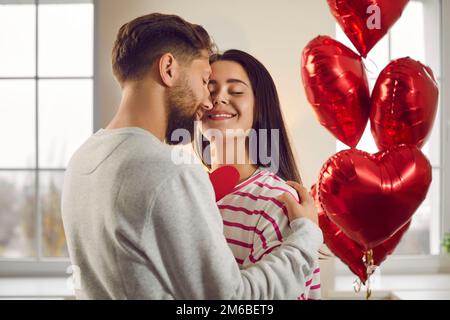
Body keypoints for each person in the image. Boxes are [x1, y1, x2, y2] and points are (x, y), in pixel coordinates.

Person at [61, 13, 322, 299]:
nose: (210, 100)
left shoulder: (80, 162)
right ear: (169, 69)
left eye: (234, 90)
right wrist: (306, 236)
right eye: (205, 81)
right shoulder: (174, 174)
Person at [195, 49, 321, 300]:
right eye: (210, 88)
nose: (218, 98)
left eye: (236, 91)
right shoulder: (191, 191)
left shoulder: (278, 201)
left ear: (259, 106)